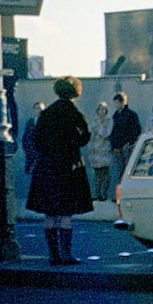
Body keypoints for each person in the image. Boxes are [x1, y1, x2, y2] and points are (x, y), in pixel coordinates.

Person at [26, 76, 93, 266]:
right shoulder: (75, 114)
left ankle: (53, 255)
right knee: (65, 214)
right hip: (68, 168)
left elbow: (36, 139)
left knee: (49, 214)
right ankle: (66, 254)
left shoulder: (47, 114)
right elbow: (84, 138)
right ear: (75, 92)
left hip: (47, 167)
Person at [109, 92, 142, 181]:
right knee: (120, 170)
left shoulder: (131, 115)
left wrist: (130, 142)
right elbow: (113, 130)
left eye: (117, 103)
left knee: (128, 170)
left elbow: (137, 130)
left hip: (127, 146)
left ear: (123, 102)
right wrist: (113, 144)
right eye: (115, 103)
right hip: (117, 147)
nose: (116, 105)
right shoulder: (115, 115)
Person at [88, 102, 114, 202]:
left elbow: (105, 133)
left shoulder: (109, 120)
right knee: (97, 173)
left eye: (103, 109)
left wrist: (99, 126)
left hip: (104, 151)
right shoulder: (94, 120)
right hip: (95, 152)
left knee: (105, 173)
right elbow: (91, 130)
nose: (101, 111)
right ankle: (97, 193)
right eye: (100, 109)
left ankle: (104, 193)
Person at [21, 102, 45, 175]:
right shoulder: (30, 122)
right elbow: (26, 136)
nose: (39, 111)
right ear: (34, 110)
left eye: (41, 109)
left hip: (41, 153)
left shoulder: (46, 123)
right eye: (37, 108)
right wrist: (26, 147)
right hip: (30, 152)